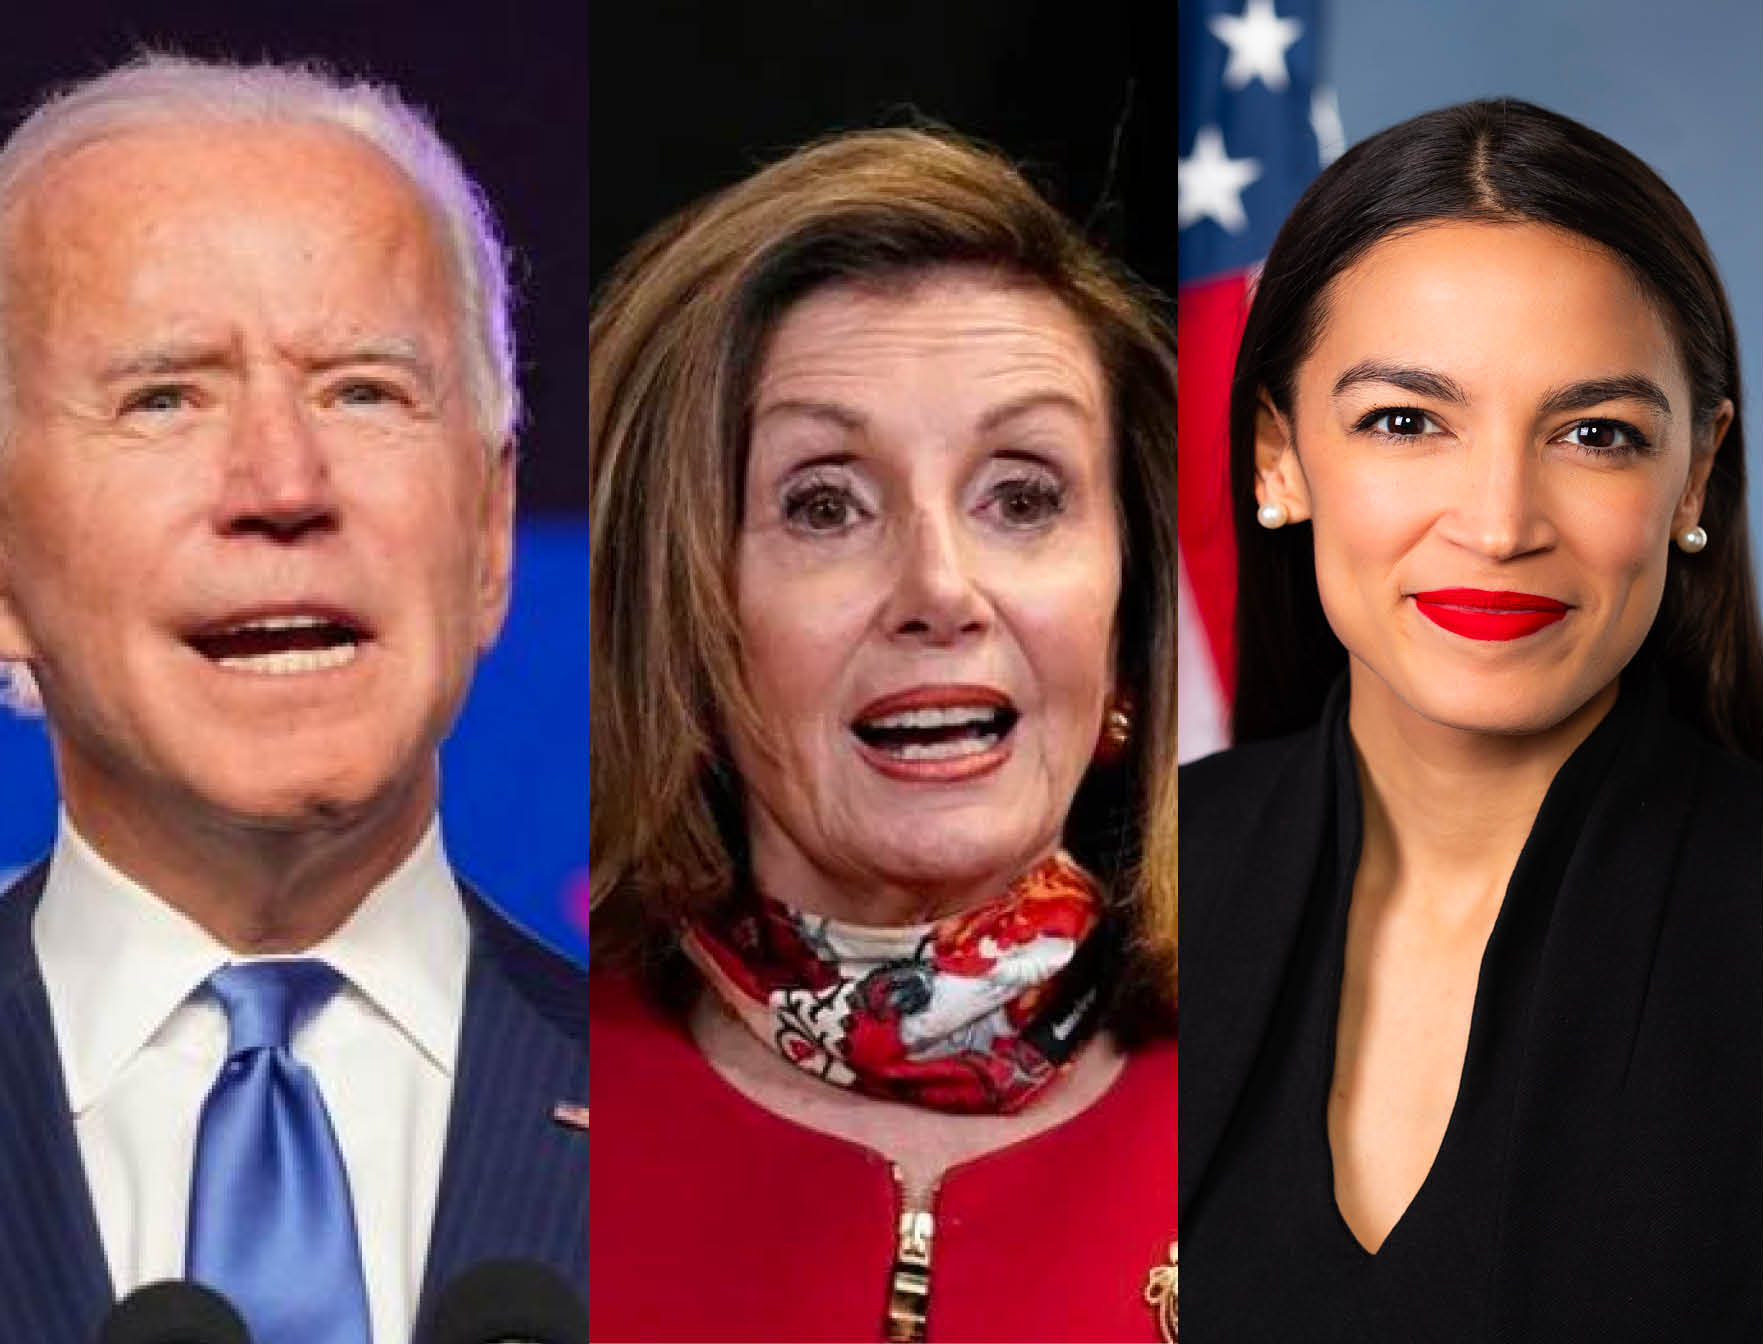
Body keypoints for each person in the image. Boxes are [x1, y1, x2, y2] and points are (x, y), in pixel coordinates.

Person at [0, 55, 583, 1344]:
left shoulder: (691, 1118)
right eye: (165, 397)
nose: (283, 480)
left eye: (363, 390)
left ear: (490, 535)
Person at [1182, 98, 1763, 1341]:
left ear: (1695, 476)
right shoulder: (1135, 883)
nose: (1499, 523)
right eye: (1406, 422)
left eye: (1594, 434)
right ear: (1278, 456)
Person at [587, 127, 1178, 1343]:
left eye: (1022, 496)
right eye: (823, 503)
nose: (941, 588)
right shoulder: (494, 1123)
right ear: (684, 619)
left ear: (1127, 626)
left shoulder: (1328, 1126)